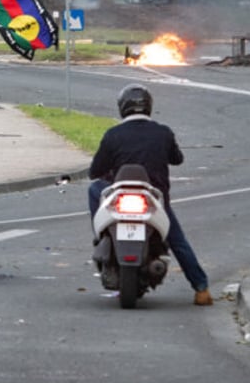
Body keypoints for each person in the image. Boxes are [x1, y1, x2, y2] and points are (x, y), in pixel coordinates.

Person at [87, 84, 213, 306]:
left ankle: (101, 233)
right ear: (149, 107)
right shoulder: (163, 132)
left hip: (120, 200)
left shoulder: (113, 135)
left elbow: (94, 172)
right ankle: (201, 288)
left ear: (122, 108)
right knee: (176, 240)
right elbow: (177, 159)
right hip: (154, 201)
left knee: (94, 189)